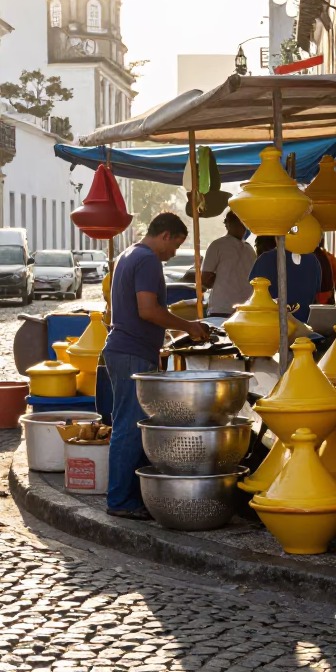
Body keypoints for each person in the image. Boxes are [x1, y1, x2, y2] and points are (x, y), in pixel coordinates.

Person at [104, 213, 211, 520]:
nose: (175, 253)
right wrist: (189, 326)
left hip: (127, 349)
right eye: (176, 245)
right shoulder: (148, 260)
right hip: (131, 353)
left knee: (129, 424)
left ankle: (128, 496)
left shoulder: (129, 254)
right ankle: (121, 500)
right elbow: (148, 309)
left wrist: (170, 333)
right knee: (129, 426)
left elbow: (135, 312)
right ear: (165, 235)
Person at [248, 236, 323, 322]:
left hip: (273, 327)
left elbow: (255, 299)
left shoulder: (265, 261)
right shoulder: (312, 260)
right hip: (305, 327)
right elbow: (315, 295)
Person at [200, 211, 257, 317]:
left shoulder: (217, 245)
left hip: (224, 309)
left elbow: (205, 279)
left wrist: (222, 281)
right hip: (243, 309)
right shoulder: (250, 250)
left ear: (227, 224)